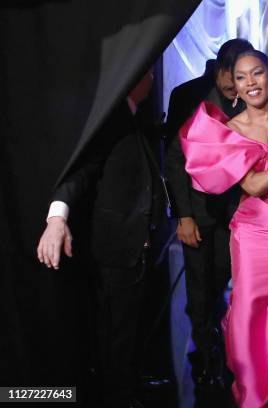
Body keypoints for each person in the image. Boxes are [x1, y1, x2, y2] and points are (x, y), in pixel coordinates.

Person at [180, 49, 268, 407]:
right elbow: (254, 186)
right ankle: (259, 393)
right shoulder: (231, 131)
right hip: (254, 235)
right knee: (253, 312)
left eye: (257, 73)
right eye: (242, 77)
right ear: (235, 86)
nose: (250, 83)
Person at [36, 71, 163, 408]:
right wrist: (57, 217)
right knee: (114, 335)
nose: (152, 78)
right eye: (147, 72)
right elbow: (79, 172)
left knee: (127, 330)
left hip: (134, 247)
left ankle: (127, 389)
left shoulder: (133, 117)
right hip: (114, 248)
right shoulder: (110, 119)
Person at [165, 38, 254, 388]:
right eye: (237, 75)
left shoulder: (249, 102)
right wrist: (183, 216)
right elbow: (175, 162)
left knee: (222, 283)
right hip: (198, 216)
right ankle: (204, 357)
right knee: (199, 289)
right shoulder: (196, 103)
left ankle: (222, 344)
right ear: (220, 73)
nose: (243, 83)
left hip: (237, 217)